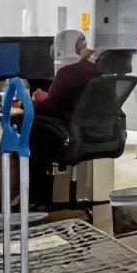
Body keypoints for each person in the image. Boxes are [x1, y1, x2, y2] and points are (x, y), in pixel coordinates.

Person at [23, 34, 99, 202]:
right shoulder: (97, 71)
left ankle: (37, 201)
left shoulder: (68, 72)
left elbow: (52, 105)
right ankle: (39, 201)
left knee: (31, 130)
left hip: (64, 128)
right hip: (86, 132)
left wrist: (39, 98)